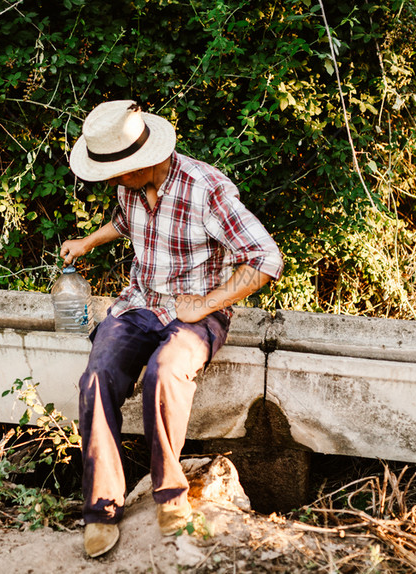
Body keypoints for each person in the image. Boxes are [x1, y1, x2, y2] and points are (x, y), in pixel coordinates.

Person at [61, 100, 283, 558]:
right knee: (96, 379)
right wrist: (87, 242)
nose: (112, 180)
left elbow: (265, 258)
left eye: (119, 171)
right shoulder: (129, 186)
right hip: (139, 303)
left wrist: (208, 303)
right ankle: (101, 507)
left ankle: (169, 491)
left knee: (165, 373)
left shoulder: (207, 189)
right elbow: (127, 224)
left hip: (198, 313)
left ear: (145, 160)